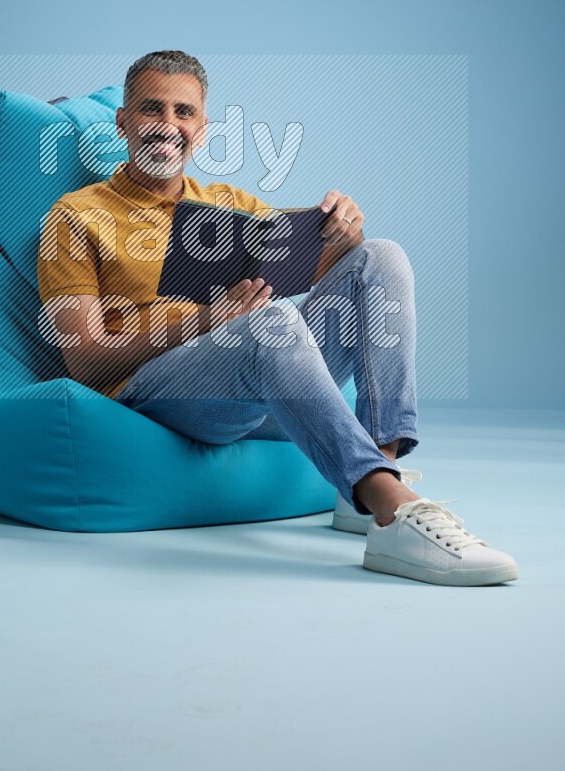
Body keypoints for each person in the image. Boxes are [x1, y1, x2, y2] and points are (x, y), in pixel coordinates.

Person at [37, 50, 518, 587]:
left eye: (184, 112)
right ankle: (392, 506)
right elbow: (81, 361)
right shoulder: (75, 214)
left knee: (381, 256)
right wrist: (205, 320)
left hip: (253, 382)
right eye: (152, 110)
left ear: (202, 128)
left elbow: (320, 278)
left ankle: (369, 479)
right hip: (154, 395)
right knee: (273, 325)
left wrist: (343, 233)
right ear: (123, 121)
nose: (168, 125)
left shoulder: (227, 203)